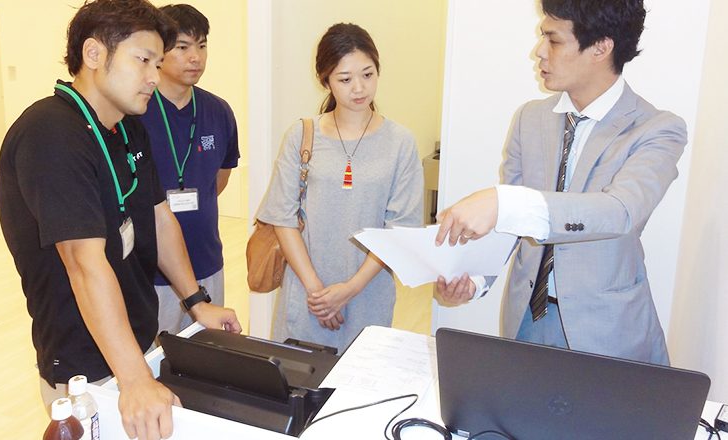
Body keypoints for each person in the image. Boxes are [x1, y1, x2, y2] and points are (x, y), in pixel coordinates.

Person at [0, 1, 241, 439]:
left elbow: (160, 217)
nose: (154, 76)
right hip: (85, 365)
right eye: (143, 60)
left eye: (157, 63)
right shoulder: (50, 133)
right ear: (94, 54)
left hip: (134, 344)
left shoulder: (127, 128)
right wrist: (135, 380)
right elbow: (83, 262)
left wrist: (196, 301)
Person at [435, 0, 686, 365]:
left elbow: (621, 212)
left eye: (553, 40)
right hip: (527, 323)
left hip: (608, 334)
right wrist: (474, 279)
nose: (538, 52)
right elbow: (511, 227)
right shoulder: (530, 118)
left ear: (601, 46)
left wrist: (503, 202)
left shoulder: (656, 129)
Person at [256, 23, 423, 352]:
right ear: (326, 80)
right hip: (306, 295)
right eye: (345, 79)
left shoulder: (400, 142)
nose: (359, 88)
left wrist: (349, 290)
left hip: (368, 295)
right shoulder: (301, 135)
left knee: (360, 376)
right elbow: (282, 217)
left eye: (368, 74)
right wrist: (317, 292)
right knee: (297, 376)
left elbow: (399, 229)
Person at [140, 4, 239, 336]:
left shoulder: (218, 111)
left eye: (202, 45)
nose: (195, 57)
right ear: (159, 52)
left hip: (207, 261)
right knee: (152, 357)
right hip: (151, 272)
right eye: (182, 47)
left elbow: (220, 178)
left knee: (206, 354)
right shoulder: (136, 111)